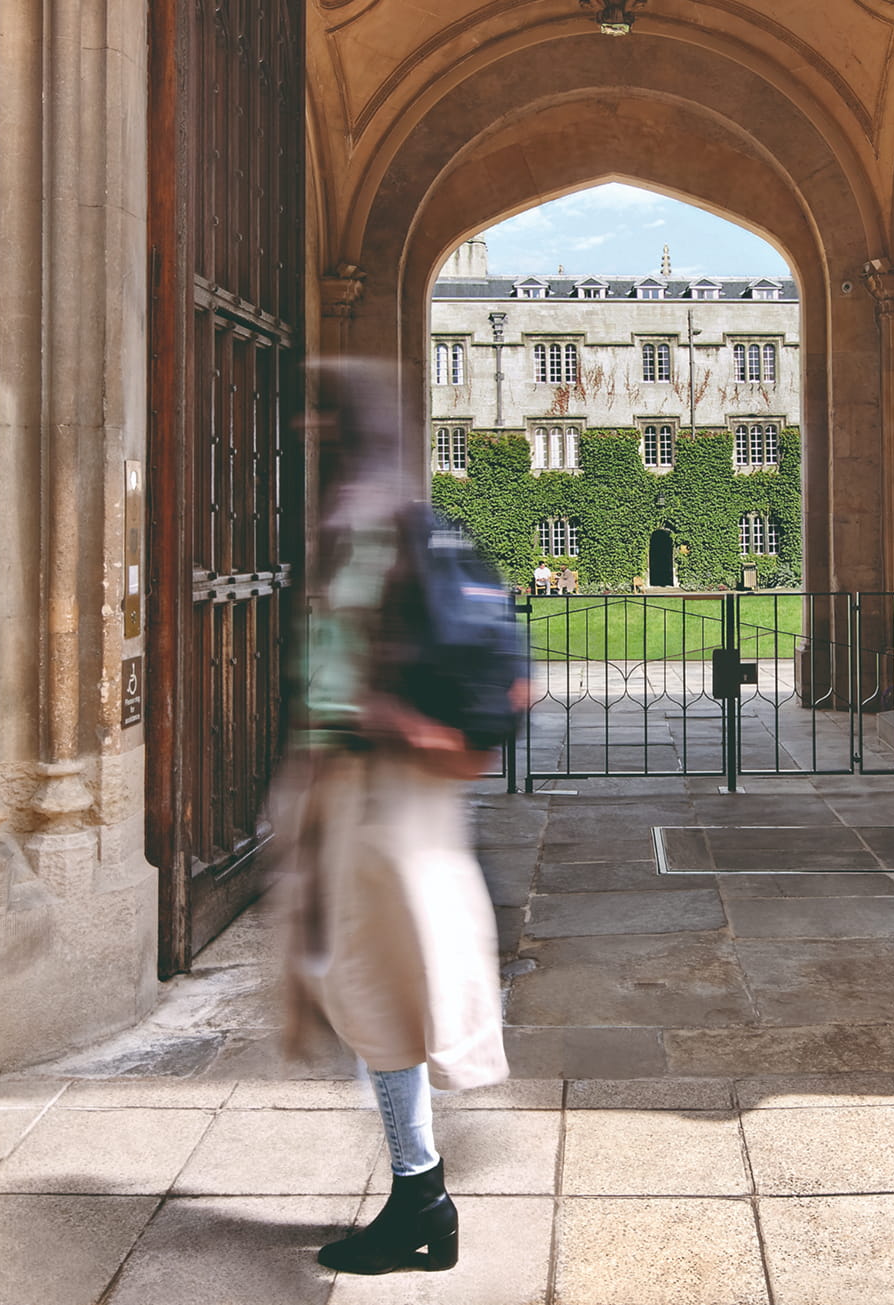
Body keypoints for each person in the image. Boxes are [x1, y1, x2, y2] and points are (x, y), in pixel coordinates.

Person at [276, 359, 510, 1276]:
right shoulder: (401, 517)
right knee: (383, 990)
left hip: (379, 798)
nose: (306, 436)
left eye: (318, 422)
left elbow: (337, 680)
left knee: (376, 991)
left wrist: (348, 732)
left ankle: (421, 1195)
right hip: (391, 801)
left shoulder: (365, 527)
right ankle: (421, 1189)